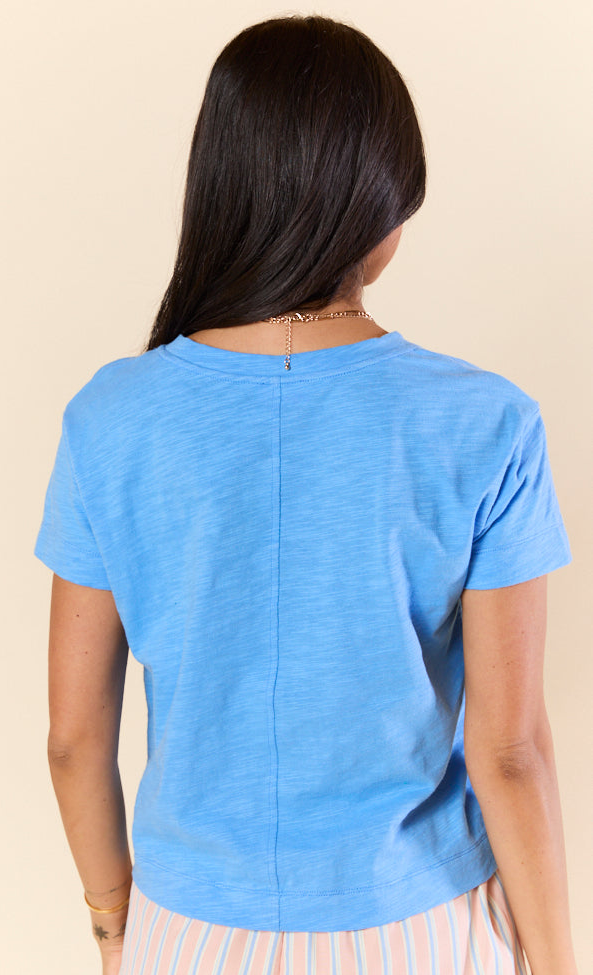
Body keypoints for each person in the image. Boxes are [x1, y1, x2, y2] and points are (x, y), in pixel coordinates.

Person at [34, 15, 579, 975]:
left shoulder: (109, 420)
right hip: (424, 927)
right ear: (382, 200)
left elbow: (76, 740)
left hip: (187, 935)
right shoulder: (486, 422)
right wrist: (560, 960)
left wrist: (117, 928)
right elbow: (511, 751)